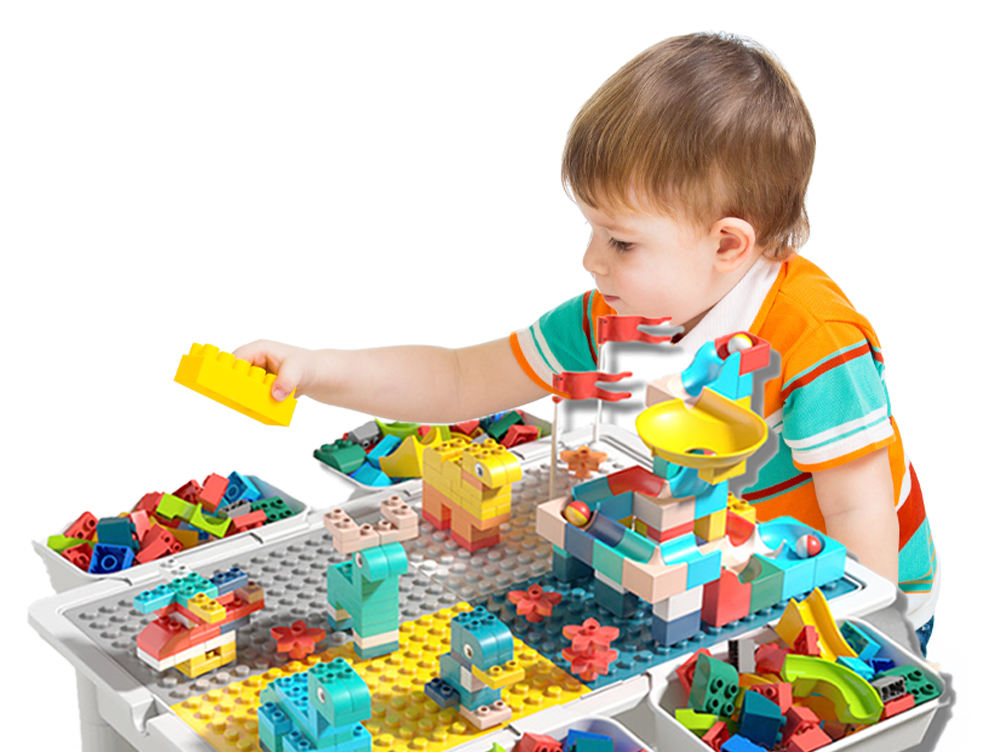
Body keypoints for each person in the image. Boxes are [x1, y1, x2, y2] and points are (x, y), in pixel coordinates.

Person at [234, 32, 937, 647]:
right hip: (708, 560)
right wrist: (317, 368)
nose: (591, 260)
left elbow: (858, 512)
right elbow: (458, 379)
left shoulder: (815, 341)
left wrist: (850, 642)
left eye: (621, 241)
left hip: (841, 603)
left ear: (727, 244)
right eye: (592, 230)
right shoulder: (616, 313)